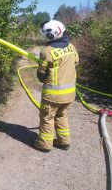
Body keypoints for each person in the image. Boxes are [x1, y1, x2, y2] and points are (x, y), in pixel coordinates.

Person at [33, 20, 79, 152]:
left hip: (53, 96)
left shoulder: (47, 51)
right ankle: (64, 141)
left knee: (47, 118)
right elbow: (76, 62)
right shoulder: (71, 47)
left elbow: (41, 74)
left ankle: (44, 144)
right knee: (61, 115)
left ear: (50, 35)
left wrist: (42, 70)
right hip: (69, 94)